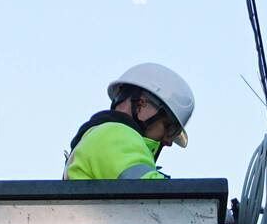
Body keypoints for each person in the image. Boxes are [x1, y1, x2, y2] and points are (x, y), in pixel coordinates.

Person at [63, 63, 195, 181]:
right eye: (170, 129)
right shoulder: (115, 135)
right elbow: (151, 192)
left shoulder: (98, 137)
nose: (169, 142)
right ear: (140, 105)